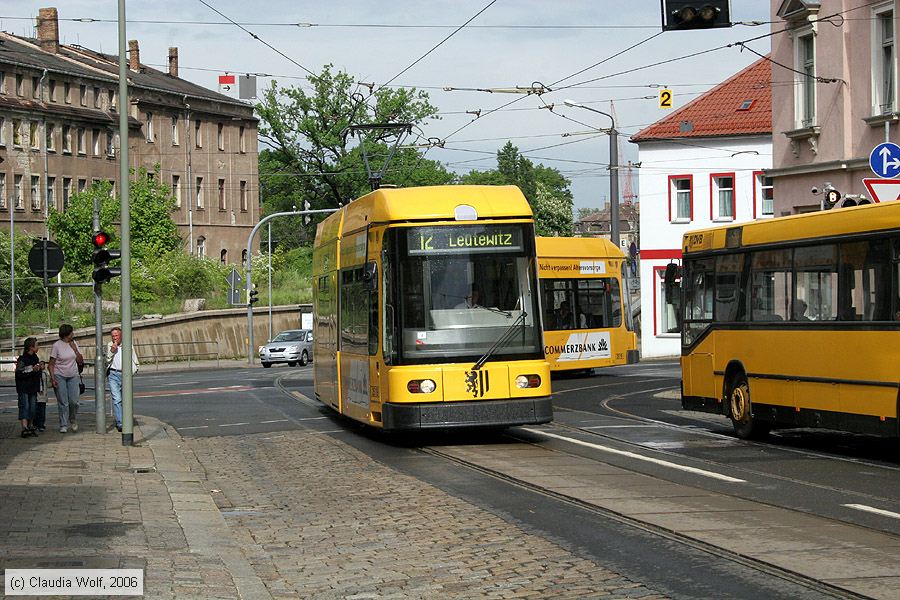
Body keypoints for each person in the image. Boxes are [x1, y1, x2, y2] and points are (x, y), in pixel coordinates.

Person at [49, 323, 84, 433]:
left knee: (74, 401)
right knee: (63, 402)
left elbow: (80, 360)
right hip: (60, 375)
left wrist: (75, 350)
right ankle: (63, 424)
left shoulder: (74, 343)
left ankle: (72, 419)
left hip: (73, 375)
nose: (73, 334)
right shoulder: (56, 346)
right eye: (71, 332)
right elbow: (51, 364)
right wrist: (52, 378)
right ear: (67, 334)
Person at [106, 326, 139, 432]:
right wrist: (112, 351)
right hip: (113, 374)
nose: (115, 338)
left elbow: (134, 358)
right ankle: (120, 423)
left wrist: (134, 369)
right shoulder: (110, 345)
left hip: (125, 374)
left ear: (121, 336)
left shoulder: (128, 344)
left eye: (116, 335)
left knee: (126, 399)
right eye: (113, 336)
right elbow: (107, 360)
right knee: (117, 399)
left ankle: (127, 420)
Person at [15, 337, 43, 438]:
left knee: (33, 408)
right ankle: (24, 427)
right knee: (24, 406)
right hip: (24, 388)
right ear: (31, 347)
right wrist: (33, 370)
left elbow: (37, 374)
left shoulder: (35, 358)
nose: (38, 347)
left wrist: (40, 368)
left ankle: (30, 426)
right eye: (37, 345)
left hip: (33, 387)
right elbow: (19, 374)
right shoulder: (22, 360)